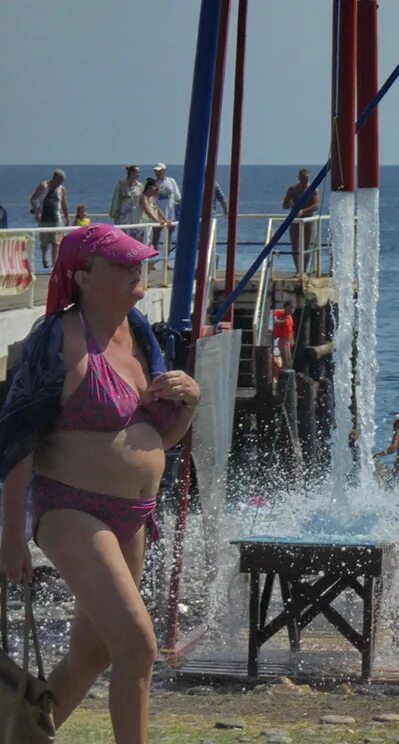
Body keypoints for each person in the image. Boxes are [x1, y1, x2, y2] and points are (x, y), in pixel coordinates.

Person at [0, 223, 200, 742]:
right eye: (121, 263)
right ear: (83, 277)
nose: (136, 268)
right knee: (137, 644)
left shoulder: (138, 331)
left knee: (94, 652)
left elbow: (161, 437)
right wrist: (10, 535)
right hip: (71, 509)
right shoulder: (56, 340)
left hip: (133, 516)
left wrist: (189, 402)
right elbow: (18, 440)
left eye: (138, 260)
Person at [29, 168, 69, 269]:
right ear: (55, 177)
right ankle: (43, 258)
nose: (60, 183)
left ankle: (54, 265)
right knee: (44, 243)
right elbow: (33, 199)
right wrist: (37, 212)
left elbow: (64, 204)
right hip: (44, 219)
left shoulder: (61, 189)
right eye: (59, 180)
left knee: (56, 243)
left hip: (57, 219)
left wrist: (66, 218)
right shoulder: (44, 186)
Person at [282, 169, 320, 275]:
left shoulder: (313, 190)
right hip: (295, 221)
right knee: (295, 246)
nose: (305, 181)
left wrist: (303, 211)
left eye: (307, 179)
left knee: (307, 246)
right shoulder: (292, 189)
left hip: (308, 220)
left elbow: (316, 205)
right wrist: (289, 204)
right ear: (299, 178)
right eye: (303, 178)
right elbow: (284, 205)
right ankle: (298, 270)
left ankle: (304, 270)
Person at [151, 163, 181, 251]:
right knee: (155, 238)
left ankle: (166, 260)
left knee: (168, 239)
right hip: (157, 216)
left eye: (160, 171)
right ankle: (153, 260)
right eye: (156, 171)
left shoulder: (171, 181)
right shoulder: (153, 183)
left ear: (164, 171)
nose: (158, 173)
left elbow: (178, 197)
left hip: (170, 215)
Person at [109, 165, 144, 239]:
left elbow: (142, 200)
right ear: (131, 173)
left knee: (135, 235)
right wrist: (114, 213)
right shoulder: (121, 184)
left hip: (135, 214)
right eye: (136, 172)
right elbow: (116, 199)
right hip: (123, 214)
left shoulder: (140, 186)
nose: (138, 174)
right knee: (122, 235)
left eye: (139, 172)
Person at [140, 179, 169, 244]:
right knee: (144, 242)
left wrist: (165, 219)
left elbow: (157, 209)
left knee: (150, 242)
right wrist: (156, 220)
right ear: (150, 188)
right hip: (143, 225)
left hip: (150, 225)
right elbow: (146, 209)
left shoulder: (151, 198)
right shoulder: (143, 197)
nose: (157, 191)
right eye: (156, 189)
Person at [273, 301, 295, 366]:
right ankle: (283, 374)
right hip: (282, 341)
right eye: (290, 308)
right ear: (285, 308)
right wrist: (284, 321)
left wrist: (292, 339)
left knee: (289, 361)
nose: (291, 310)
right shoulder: (281, 314)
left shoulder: (290, 317)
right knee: (285, 361)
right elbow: (275, 321)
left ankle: (287, 373)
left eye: (292, 308)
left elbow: (291, 330)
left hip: (288, 341)